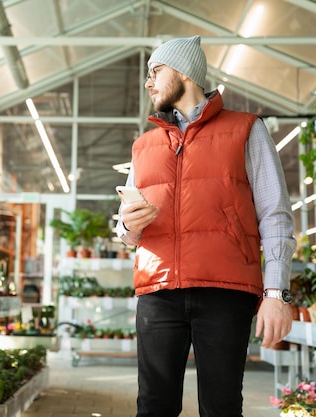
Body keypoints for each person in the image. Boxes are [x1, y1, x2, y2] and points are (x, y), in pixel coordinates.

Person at [116, 35, 297, 417]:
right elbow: (127, 233)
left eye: (156, 71)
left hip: (225, 292)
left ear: (183, 72)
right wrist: (128, 226)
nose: (148, 82)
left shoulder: (247, 130)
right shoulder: (143, 146)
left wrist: (276, 294)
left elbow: (275, 215)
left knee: (221, 407)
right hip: (158, 292)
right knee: (153, 407)